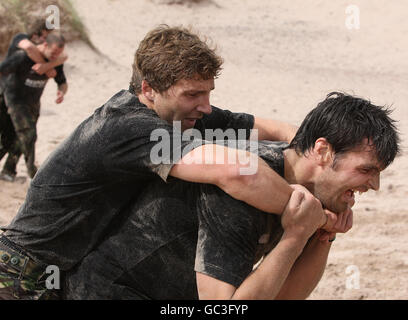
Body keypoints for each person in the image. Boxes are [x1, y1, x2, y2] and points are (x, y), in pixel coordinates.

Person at [0, 25, 320, 300]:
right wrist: (309, 216)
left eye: (208, 93)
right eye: (193, 94)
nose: (206, 106)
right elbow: (237, 173)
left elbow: (275, 130)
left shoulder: (182, 113)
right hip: (22, 272)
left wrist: (318, 161)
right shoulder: (131, 127)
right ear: (148, 89)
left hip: (54, 273)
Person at [62, 92, 400, 300]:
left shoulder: (308, 197)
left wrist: (322, 236)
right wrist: (296, 236)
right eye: (367, 170)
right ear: (323, 152)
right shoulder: (242, 187)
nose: (373, 186)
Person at [0, 32, 68, 181]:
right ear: (45, 45)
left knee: (16, 139)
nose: (55, 55)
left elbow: (62, 82)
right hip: (14, 100)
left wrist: (61, 92)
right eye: (54, 51)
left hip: (33, 104)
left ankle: (8, 171)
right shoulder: (23, 57)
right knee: (29, 135)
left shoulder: (55, 62)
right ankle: (34, 173)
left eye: (59, 53)